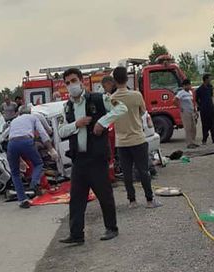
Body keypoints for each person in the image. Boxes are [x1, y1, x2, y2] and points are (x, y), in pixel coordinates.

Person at [58, 68, 128, 244]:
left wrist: (102, 122)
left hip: (96, 157)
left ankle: (111, 228)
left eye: (73, 80)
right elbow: (61, 130)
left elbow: (121, 109)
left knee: (104, 194)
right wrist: (77, 124)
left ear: (81, 81)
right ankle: (76, 234)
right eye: (67, 83)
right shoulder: (67, 107)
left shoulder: (98, 99)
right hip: (79, 158)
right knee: (76, 198)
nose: (71, 85)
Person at [111, 66, 162, 209]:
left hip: (121, 142)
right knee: (143, 170)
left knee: (127, 173)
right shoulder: (136, 95)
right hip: (138, 139)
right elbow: (143, 112)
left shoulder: (111, 99)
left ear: (114, 81)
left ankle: (132, 201)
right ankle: (149, 200)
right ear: (127, 78)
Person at [5, 110, 58, 208]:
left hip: (11, 144)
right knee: (38, 164)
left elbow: (11, 137)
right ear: (29, 112)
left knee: (15, 173)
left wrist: (20, 160)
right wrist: (51, 149)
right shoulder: (33, 117)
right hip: (26, 141)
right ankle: (34, 183)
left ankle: (22, 200)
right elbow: (43, 134)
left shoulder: (14, 121)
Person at [175, 79, 199, 149]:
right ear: (184, 86)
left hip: (191, 112)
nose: (189, 86)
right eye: (188, 85)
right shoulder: (181, 93)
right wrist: (180, 107)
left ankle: (193, 142)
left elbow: (192, 102)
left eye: (190, 85)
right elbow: (174, 100)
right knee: (188, 128)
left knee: (193, 127)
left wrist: (195, 110)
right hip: (185, 112)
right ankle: (189, 144)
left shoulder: (190, 92)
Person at [196, 74, 214, 144]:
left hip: (211, 108)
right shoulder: (199, 89)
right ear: (205, 79)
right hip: (204, 109)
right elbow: (196, 99)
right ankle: (204, 139)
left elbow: (211, 96)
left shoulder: (210, 87)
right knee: (205, 124)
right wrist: (201, 106)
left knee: (213, 123)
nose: (210, 80)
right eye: (209, 79)